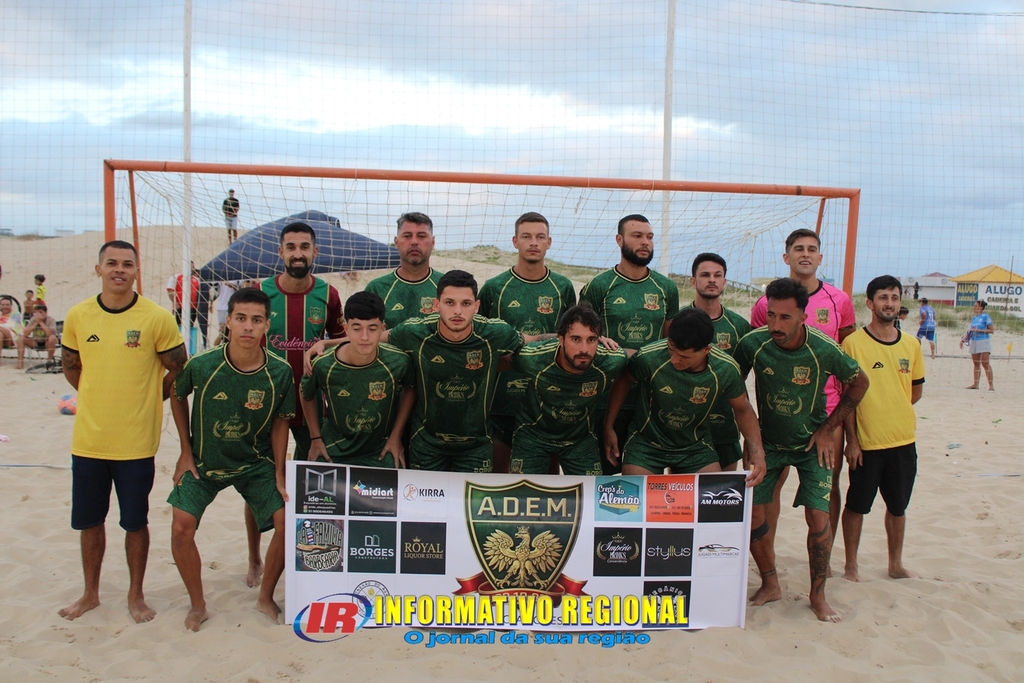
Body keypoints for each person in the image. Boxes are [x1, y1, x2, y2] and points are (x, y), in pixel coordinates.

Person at [58, 240, 186, 623]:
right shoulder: (79, 316)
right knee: (89, 521)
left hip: (136, 443)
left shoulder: (156, 317)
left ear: (136, 271)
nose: (119, 269)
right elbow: (71, 366)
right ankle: (90, 594)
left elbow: (180, 368)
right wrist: (96, 394)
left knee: (135, 522)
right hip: (89, 440)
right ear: (98, 269)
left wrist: (152, 395)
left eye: (127, 264)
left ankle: (136, 595)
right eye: (111, 263)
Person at [734, 278, 868, 623]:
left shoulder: (824, 348)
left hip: (812, 445)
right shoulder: (753, 343)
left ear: (803, 317)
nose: (776, 325)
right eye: (771, 315)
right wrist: (751, 437)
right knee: (753, 516)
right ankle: (770, 583)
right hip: (769, 444)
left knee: (818, 518)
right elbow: (733, 385)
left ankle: (817, 596)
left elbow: (860, 382)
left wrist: (829, 428)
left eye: (785, 318)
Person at [168, 287, 293, 631]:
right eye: (241, 318)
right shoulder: (202, 364)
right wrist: (185, 451)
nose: (248, 326)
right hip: (204, 463)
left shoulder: (280, 371)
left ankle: (265, 597)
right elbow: (176, 394)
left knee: (287, 522)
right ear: (228, 322)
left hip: (255, 463)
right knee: (180, 526)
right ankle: (198, 605)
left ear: (267, 324)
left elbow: (281, 422)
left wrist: (279, 472)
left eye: (256, 320)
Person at [750, 228, 856, 565]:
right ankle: (769, 559)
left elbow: (850, 359)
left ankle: (827, 560)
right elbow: (758, 351)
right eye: (799, 249)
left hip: (827, 411)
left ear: (820, 258)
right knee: (769, 488)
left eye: (812, 249)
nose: (805, 254)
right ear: (787, 257)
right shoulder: (766, 303)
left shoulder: (840, 300)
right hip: (778, 414)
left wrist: (839, 427)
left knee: (827, 488)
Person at [248, 221, 343, 586]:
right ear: (281, 252)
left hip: (310, 406)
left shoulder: (329, 294)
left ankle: (309, 552)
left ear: (315, 252)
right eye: (291, 247)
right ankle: (255, 558)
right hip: (266, 404)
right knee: (258, 483)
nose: (298, 253)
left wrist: (323, 348)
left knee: (310, 483)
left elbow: (341, 341)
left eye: (305, 247)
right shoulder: (261, 291)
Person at [605, 308, 766, 483]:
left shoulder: (725, 369)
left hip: (695, 447)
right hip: (646, 443)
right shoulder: (648, 358)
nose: (674, 359)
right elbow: (624, 380)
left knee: (710, 494)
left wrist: (757, 451)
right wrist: (609, 426)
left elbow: (742, 409)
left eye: (683, 356)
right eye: (671, 349)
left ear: (706, 350)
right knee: (637, 493)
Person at [386, 269, 524, 472]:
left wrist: (564, 340)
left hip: (476, 446)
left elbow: (532, 342)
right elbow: (371, 340)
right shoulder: (415, 332)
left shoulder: (495, 333)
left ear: (477, 306)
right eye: (449, 303)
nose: (457, 311)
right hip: (426, 444)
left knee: (474, 494)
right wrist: (334, 344)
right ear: (436, 305)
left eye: (466, 303)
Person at [580, 214, 679, 474]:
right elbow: (580, 337)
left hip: (650, 398)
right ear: (619, 240)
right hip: (605, 397)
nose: (645, 242)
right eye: (637, 236)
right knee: (604, 479)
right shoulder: (599, 285)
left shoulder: (666, 288)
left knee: (645, 481)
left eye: (649, 237)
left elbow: (672, 344)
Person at [841, 275, 924, 582]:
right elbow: (847, 398)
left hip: (903, 441)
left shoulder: (911, 344)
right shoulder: (853, 344)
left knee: (898, 507)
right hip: (867, 444)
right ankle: (851, 565)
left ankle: (895, 565)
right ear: (870, 303)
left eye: (894, 297)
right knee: (857, 505)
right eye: (883, 298)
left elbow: (914, 392)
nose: (889, 303)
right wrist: (852, 441)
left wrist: (893, 410)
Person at [479, 212, 577, 472]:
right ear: (515, 241)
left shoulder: (563, 287)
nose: (533, 242)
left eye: (540, 237)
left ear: (549, 242)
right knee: (497, 477)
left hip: (548, 400)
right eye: (526, 236)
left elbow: (572, 339)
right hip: (501, 400)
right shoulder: (494, 288)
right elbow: (482, 343)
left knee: (546, 481)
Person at [509, 303, 628, 475]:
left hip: (580, 439)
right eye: (575, 339)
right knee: (523, 489)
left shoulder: (612, 360)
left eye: (591, 339)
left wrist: (608, 426)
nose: (584, 349)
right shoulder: (532, 357)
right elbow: (495, 361)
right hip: (533, 436)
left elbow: (632, 371)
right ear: (561, 339)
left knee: (590, 490)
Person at [300, 291, 414, 468]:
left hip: (381, 448)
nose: (365, 337)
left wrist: (396, 436)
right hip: (334, 447)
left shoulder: (399, 361)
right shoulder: (323, 364)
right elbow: (305, 394)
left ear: (382, 328)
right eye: (357, 328)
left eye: (372, 328)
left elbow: (411, 388)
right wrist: (315, 438)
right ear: (346, 328)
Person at [683, 253, 752, 471]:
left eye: (717, 275)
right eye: (705, 275)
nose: (712, 280)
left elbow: (741, 378)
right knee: (683, 490)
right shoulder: (677, 321)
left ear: (724, 281)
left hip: (725, 426)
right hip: (684, 424)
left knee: (723, 489)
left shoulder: (739, 326)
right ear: (693, 281)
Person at [364, 212, 442, 329]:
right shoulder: (376, 288)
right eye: (407, 236)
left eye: (421, 236)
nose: (414, 242)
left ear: (433, 242)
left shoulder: (447, 286)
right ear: (396, 242)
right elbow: (364, 334)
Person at [961, 300, 994, 390]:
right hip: (974, 341)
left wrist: (979, 330)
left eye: (976, 306)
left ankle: (991, 385)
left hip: (983, 341)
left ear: (981, 307)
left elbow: (992, 330)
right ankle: (975, 384)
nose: (974, 308)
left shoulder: (986, 317)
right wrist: (963, 339)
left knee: (985, 363)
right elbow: (970, 330)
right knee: (976, 364)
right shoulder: (974, 318)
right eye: (974, 306)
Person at [16, 301, 58, 369]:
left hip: (47, 342)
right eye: (36, 313)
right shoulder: (33, 319)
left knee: (52, 338)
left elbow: (50, 333)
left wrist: (41, 322)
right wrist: (35, 323)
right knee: (21, 338)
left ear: (45, 313)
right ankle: (20, 362)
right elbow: (26, 334)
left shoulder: (51, 320)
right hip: (35, 341)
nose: (38, 314)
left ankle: (49, 361)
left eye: (41, 312)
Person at [166, 263, 200, 328]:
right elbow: (170, 290)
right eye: (190, 267)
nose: (192, 268)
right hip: (180, 307)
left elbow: (198, 293)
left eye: (193, 267)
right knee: (177, 326)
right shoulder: (176, 277)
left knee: (189, 326)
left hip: (192, 308)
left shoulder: (196, 280)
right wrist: (175, 303)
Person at [214, 280, 242, 344]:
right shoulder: (220, 275)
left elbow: (241, 291)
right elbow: (215, 289)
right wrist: (211, 302)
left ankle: (229, 346)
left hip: (232, 307)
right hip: (221, 306)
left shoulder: (238, 278)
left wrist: (232, 286)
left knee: (231, 330)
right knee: (222, 330)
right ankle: (218, 347)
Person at [0, 296, 23, 365]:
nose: (5, 307)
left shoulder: (15, 314)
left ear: (11, 306)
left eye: (7, 305)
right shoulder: (0, 315)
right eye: (3, 305)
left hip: (13, 337)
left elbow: (11, 327)